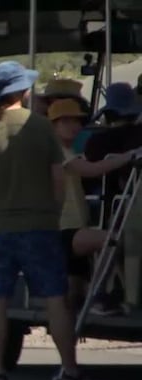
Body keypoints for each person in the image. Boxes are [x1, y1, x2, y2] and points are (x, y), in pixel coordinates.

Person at [0, 61, 98, 380]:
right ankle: (69, 369)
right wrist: (51, 215)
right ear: (21, 91)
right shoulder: (41, 128)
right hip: (40, 226)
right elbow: (58, 180)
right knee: (56, 299)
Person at [47, 98, 141, 316]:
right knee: (111, 240)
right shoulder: (57, 152)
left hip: (74, 227)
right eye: (65, 121)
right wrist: (131, 156)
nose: (74, 126)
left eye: (77, 121)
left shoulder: (68, 151)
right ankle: (100, 294)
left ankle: (101, 294)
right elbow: (93, 170)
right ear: (53, 125)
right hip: (63, 229)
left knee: (68, 305)